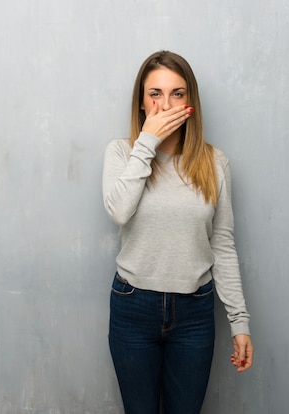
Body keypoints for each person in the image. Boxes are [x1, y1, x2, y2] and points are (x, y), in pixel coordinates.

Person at [102, 50, 254, 414]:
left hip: (194, 313)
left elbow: (223, 243)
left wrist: (240, 321)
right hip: (133, 306)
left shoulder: (214, 162)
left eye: (177, 93)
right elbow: (119, 211)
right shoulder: (122, 153)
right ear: (141, 102)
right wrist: (148, 142)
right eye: (155, 94)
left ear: (191, 102)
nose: (165, 104)